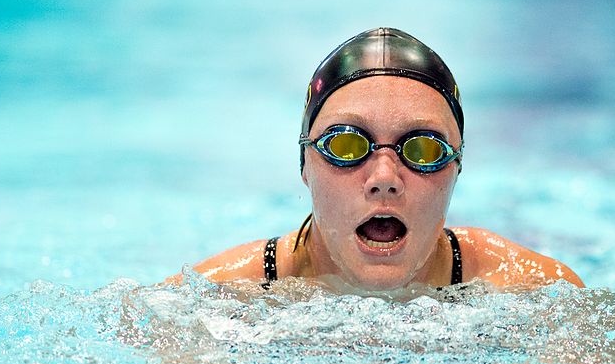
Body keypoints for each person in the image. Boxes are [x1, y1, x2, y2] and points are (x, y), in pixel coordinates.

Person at [168, 27, 583, 291]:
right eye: (346, 145)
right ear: (305, 168)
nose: (384, 178)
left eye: (423, 149)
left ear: (457, 168)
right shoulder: (223, 295)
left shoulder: (530, 287)